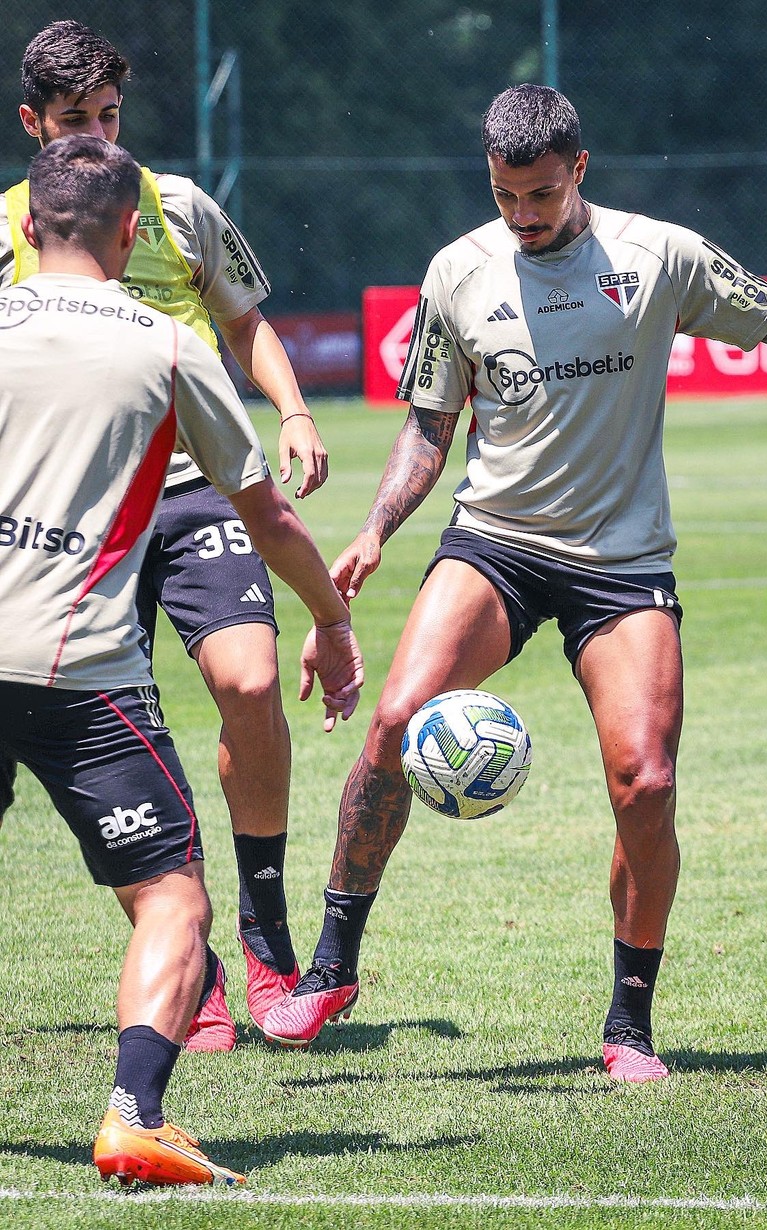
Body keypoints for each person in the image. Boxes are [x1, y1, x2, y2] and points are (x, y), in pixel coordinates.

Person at [262, 84, 767, 1078]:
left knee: (646, 781)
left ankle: (629, 1025)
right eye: (508, 196)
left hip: (622, 562)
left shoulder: (661, 258)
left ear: (580, 170)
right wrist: (379, 527)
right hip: (496, 542)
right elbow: (428, 428)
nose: (524, 216)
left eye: (543, 197)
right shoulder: (458, 274)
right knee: (393, 721)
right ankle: (329, 966)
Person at [0, 134, 362, 1185]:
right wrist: (332, 620)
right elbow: (270, 517)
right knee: (172, 899)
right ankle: (133, 1117)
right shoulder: (165, 345)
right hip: (78, 676)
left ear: (25, 229)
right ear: (129, 234)